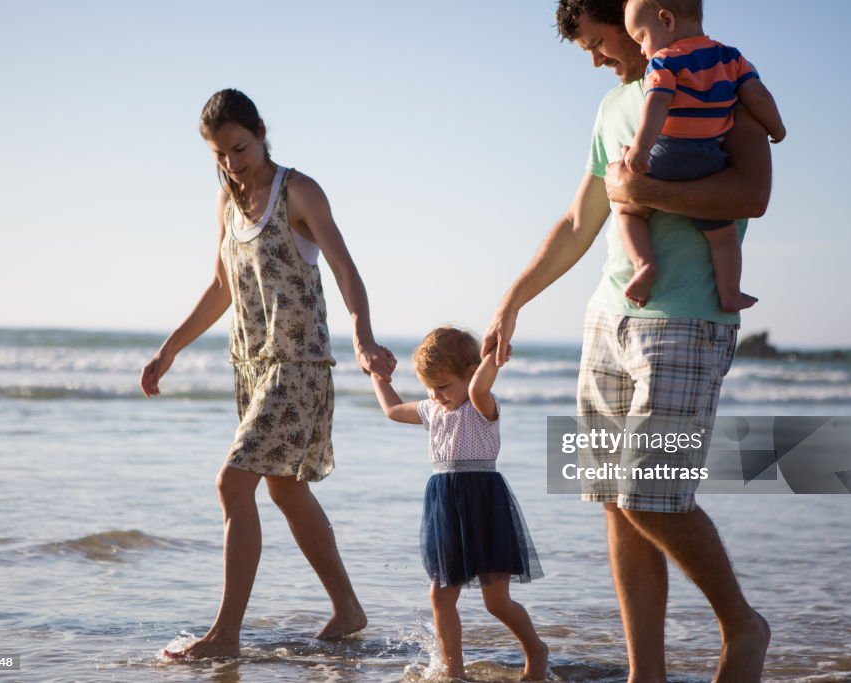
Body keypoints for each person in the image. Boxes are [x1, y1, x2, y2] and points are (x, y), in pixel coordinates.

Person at [482, 2, 772, 681]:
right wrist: (512, 300)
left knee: (647, 489)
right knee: (614, 497)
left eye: (597, 41)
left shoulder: (722, 79)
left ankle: (742, 623)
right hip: (607, 318)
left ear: (637, 18)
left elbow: (752, 192)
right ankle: (648, 673)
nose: (594, 58)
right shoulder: (613, 106)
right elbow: (581, 220)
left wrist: (642, 188)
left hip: (688, 319)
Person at [140, 88, 396, 659]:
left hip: (298, 365)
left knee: (232, 483)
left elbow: (345, 269)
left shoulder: (298, 191)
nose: (233, 162)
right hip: (252, 368)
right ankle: (348, 609)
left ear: (260, 131)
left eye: (240, 147)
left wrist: (363, 336)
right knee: (285, 489)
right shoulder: (227, 204)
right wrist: (170, 349)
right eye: (221, 155)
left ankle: (224, 635)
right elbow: (222, 286)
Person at [371, 327, 548, 681]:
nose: (436, 396)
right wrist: (379, 376)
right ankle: (453, 671)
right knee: (440, 594)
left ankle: (537, 651)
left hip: (484, 503)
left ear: (468, 373)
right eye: (429, 388)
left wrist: (491, 358)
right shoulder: (432, 410)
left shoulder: (481, 404)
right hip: (445, 506)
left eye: (443, 386)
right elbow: (391, 409)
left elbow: (479, 384)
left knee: (496, 601)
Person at [617, 0, 786, 312]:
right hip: (710, 160)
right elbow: (758, 96)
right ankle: (730, 293)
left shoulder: (664, 62)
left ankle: (644, 265)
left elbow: (657, 107)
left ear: (666, 21)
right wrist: (777, 128)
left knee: (628, 210)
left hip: (668, 154)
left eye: (641, 38)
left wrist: (640, 149)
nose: (642, 50)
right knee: (723, 235)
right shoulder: (731, 58)